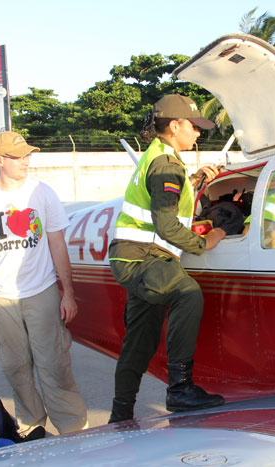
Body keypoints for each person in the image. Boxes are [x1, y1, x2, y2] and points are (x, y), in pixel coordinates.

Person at [107, 94, 227, 423]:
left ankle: (120, 415)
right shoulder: (167, 164)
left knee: (140, 340)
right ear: (175, 126)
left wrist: (198, 180)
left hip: (134, 259)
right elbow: (167, 223)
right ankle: (180, 389)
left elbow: (163, 200)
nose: (198, 133)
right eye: (194, 126)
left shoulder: (159, 157)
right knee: (187, 294)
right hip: (145, 258)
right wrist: (206, 241)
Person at [0, 131, 88, 438]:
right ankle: (32, 428)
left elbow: (58, 244)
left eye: (27, 155)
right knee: (15, 367)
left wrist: (67, 293)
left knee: (54, 364)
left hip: (41, 291)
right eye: (17, 157)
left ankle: (75, 430)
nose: (25, 162)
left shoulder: (42, 193)